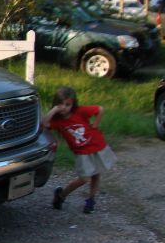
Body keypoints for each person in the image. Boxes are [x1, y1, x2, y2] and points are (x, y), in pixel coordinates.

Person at [42, 86, 117, 214]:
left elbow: (100, 109)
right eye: (60, 104)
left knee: (96, 173)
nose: (64, 107)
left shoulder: (80, 112)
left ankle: (91, 199)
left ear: (73, 104)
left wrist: (96, 124)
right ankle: (61, 195)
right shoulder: (57, 121)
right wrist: (54, 110)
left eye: (67, 104)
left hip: (96, 145)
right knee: (84, 178)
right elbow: (44, 124)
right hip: (82, 152)